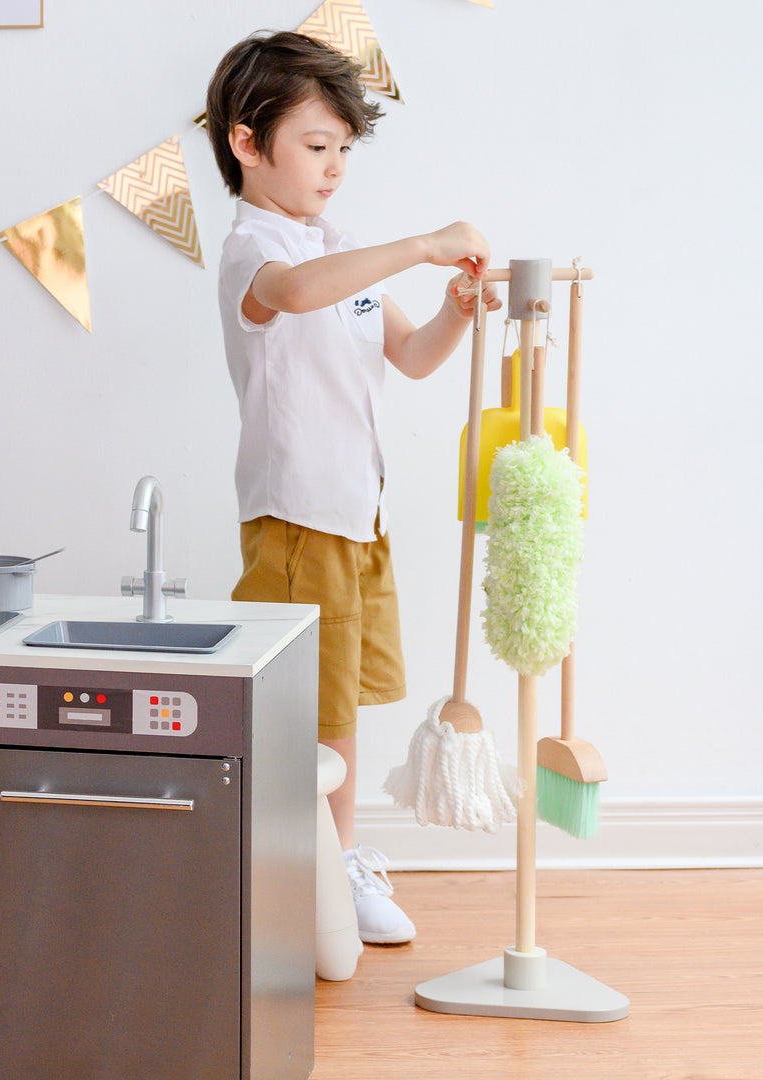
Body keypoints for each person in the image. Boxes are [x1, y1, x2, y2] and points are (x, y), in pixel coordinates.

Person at [205, 30, 501, 944]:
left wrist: (452, 311)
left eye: (343, 148)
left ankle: (335, 863)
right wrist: (421, 246)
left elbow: (409, 358)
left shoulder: (340, 249)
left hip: (353, 513)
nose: (334, 168)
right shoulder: (255, 251)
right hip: (296, 516)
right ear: (247, 145)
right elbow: (291, 295)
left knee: (335, 712)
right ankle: (314, 874)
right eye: (315, 146)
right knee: (307, 715)